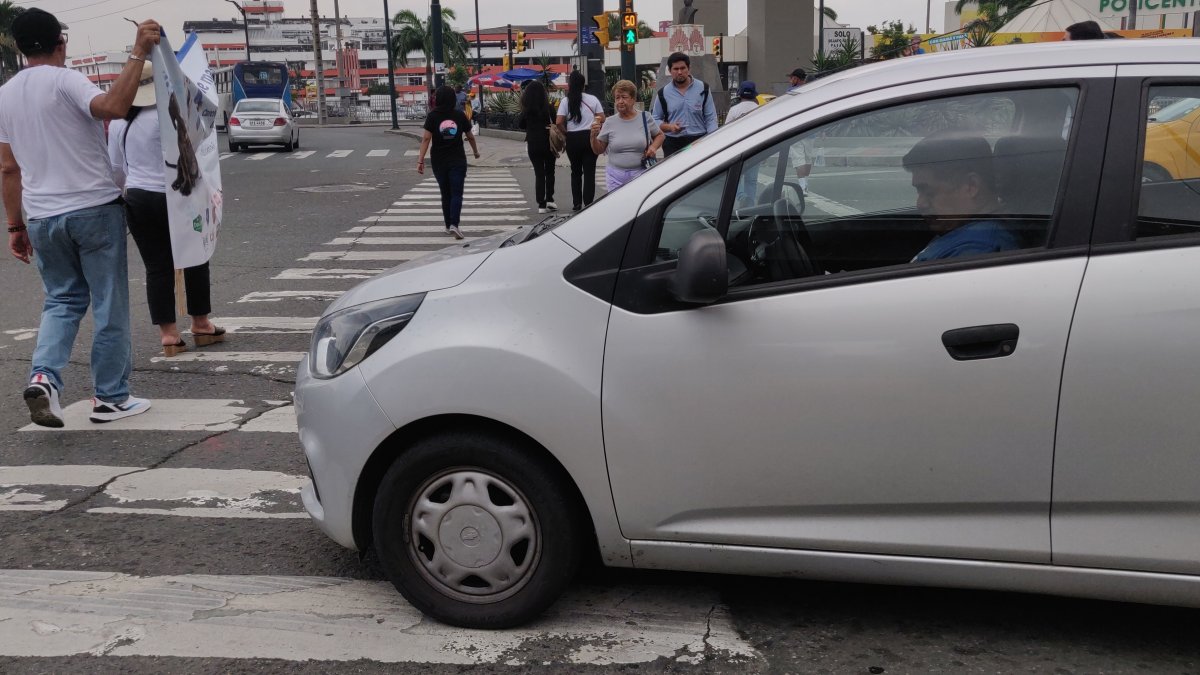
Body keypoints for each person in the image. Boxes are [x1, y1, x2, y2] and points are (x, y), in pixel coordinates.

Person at [0, 9, 160, 427]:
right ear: (61, 43)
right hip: (93, 210)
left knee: (62, 300)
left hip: (42, 217)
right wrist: (139, 52)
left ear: (18, 47)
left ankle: (44, 377)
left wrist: (15, 226)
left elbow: (8, 169)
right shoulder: (65, 78)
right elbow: (112, 106)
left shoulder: (5, 94)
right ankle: (111, 397)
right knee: (109, 303)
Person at [108, 61, 224, 358]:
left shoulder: (120, 122)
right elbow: (197, 153)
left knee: (156, 267)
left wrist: (123, 197)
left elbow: (117, 170)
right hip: (178, 196)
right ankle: (200, 323)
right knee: (196, 257)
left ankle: (169, 335)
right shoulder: (173, 114)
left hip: (138, 198)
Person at [901, 133, 1019, 262]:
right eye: (919, 192)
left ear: (971, 185)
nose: (920, 204)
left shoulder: (976, 251)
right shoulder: (964, 231)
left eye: (930, 193)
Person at [417, 85, 480, 240]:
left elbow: (426, 138)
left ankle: (447, 225)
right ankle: (454, 224)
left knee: (445, 193)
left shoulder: (432, 116)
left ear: (437, 99)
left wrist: (420, 160)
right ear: (453, 99)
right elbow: (470, 136)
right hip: (457, 158)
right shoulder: (459, 115)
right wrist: (475, 152)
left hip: (438, 160)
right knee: (457, 192)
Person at [591, 79, 665, 192]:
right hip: (615, 177)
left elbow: (660, 135)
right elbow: (598, 150)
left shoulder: (645, 117)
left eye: (624, 97)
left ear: (633, 99)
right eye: (617, 98)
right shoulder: (609, 122)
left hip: (640, 175)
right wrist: (593, 136)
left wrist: (653, 147)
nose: (620, 101)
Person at [652, 52, 718, 157]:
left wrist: (712, 139)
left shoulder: (703, 88)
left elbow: (711, 117)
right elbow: (654, 118)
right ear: (670, 71)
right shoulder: (663, 93)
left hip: (699, 140)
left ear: (689, 68)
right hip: (673, 143)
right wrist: (670, 127)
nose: (679, 72)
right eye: (676, 69)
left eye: (683, 68)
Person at [556, 70, 604, 211]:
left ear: (570, 85)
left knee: (575, 172)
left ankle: (576, 203)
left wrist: (566, 133)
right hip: (590, 138)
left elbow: (559, 121)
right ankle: (588, 203)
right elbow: (603, 118)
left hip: (573, 139)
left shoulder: (566, 101)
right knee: (589, 172)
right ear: (584, 85)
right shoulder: (593, 99)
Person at [518, 80, 557, 214]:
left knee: (539, 174)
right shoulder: (549, 107)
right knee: (550, 171)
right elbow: (556, 121)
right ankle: (550, 199)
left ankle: (541, 204)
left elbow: (520, 124)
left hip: (533, 143)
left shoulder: (527, 110)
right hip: (548, 143)